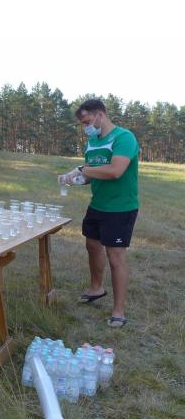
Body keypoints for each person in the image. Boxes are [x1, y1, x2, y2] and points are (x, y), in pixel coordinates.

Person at [58, 99, 139, 328]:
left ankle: (119, 311)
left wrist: (81, 169)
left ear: (99, 115)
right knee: (92, 246)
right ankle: (96, 288)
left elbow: (115, 171)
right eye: (82, 124)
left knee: (115, 257)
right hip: (98, 205)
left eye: (86, 121)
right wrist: (74, 178)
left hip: (120, 208)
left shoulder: (124, 138)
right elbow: (91, 174)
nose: (85, 127)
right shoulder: (92, 142)